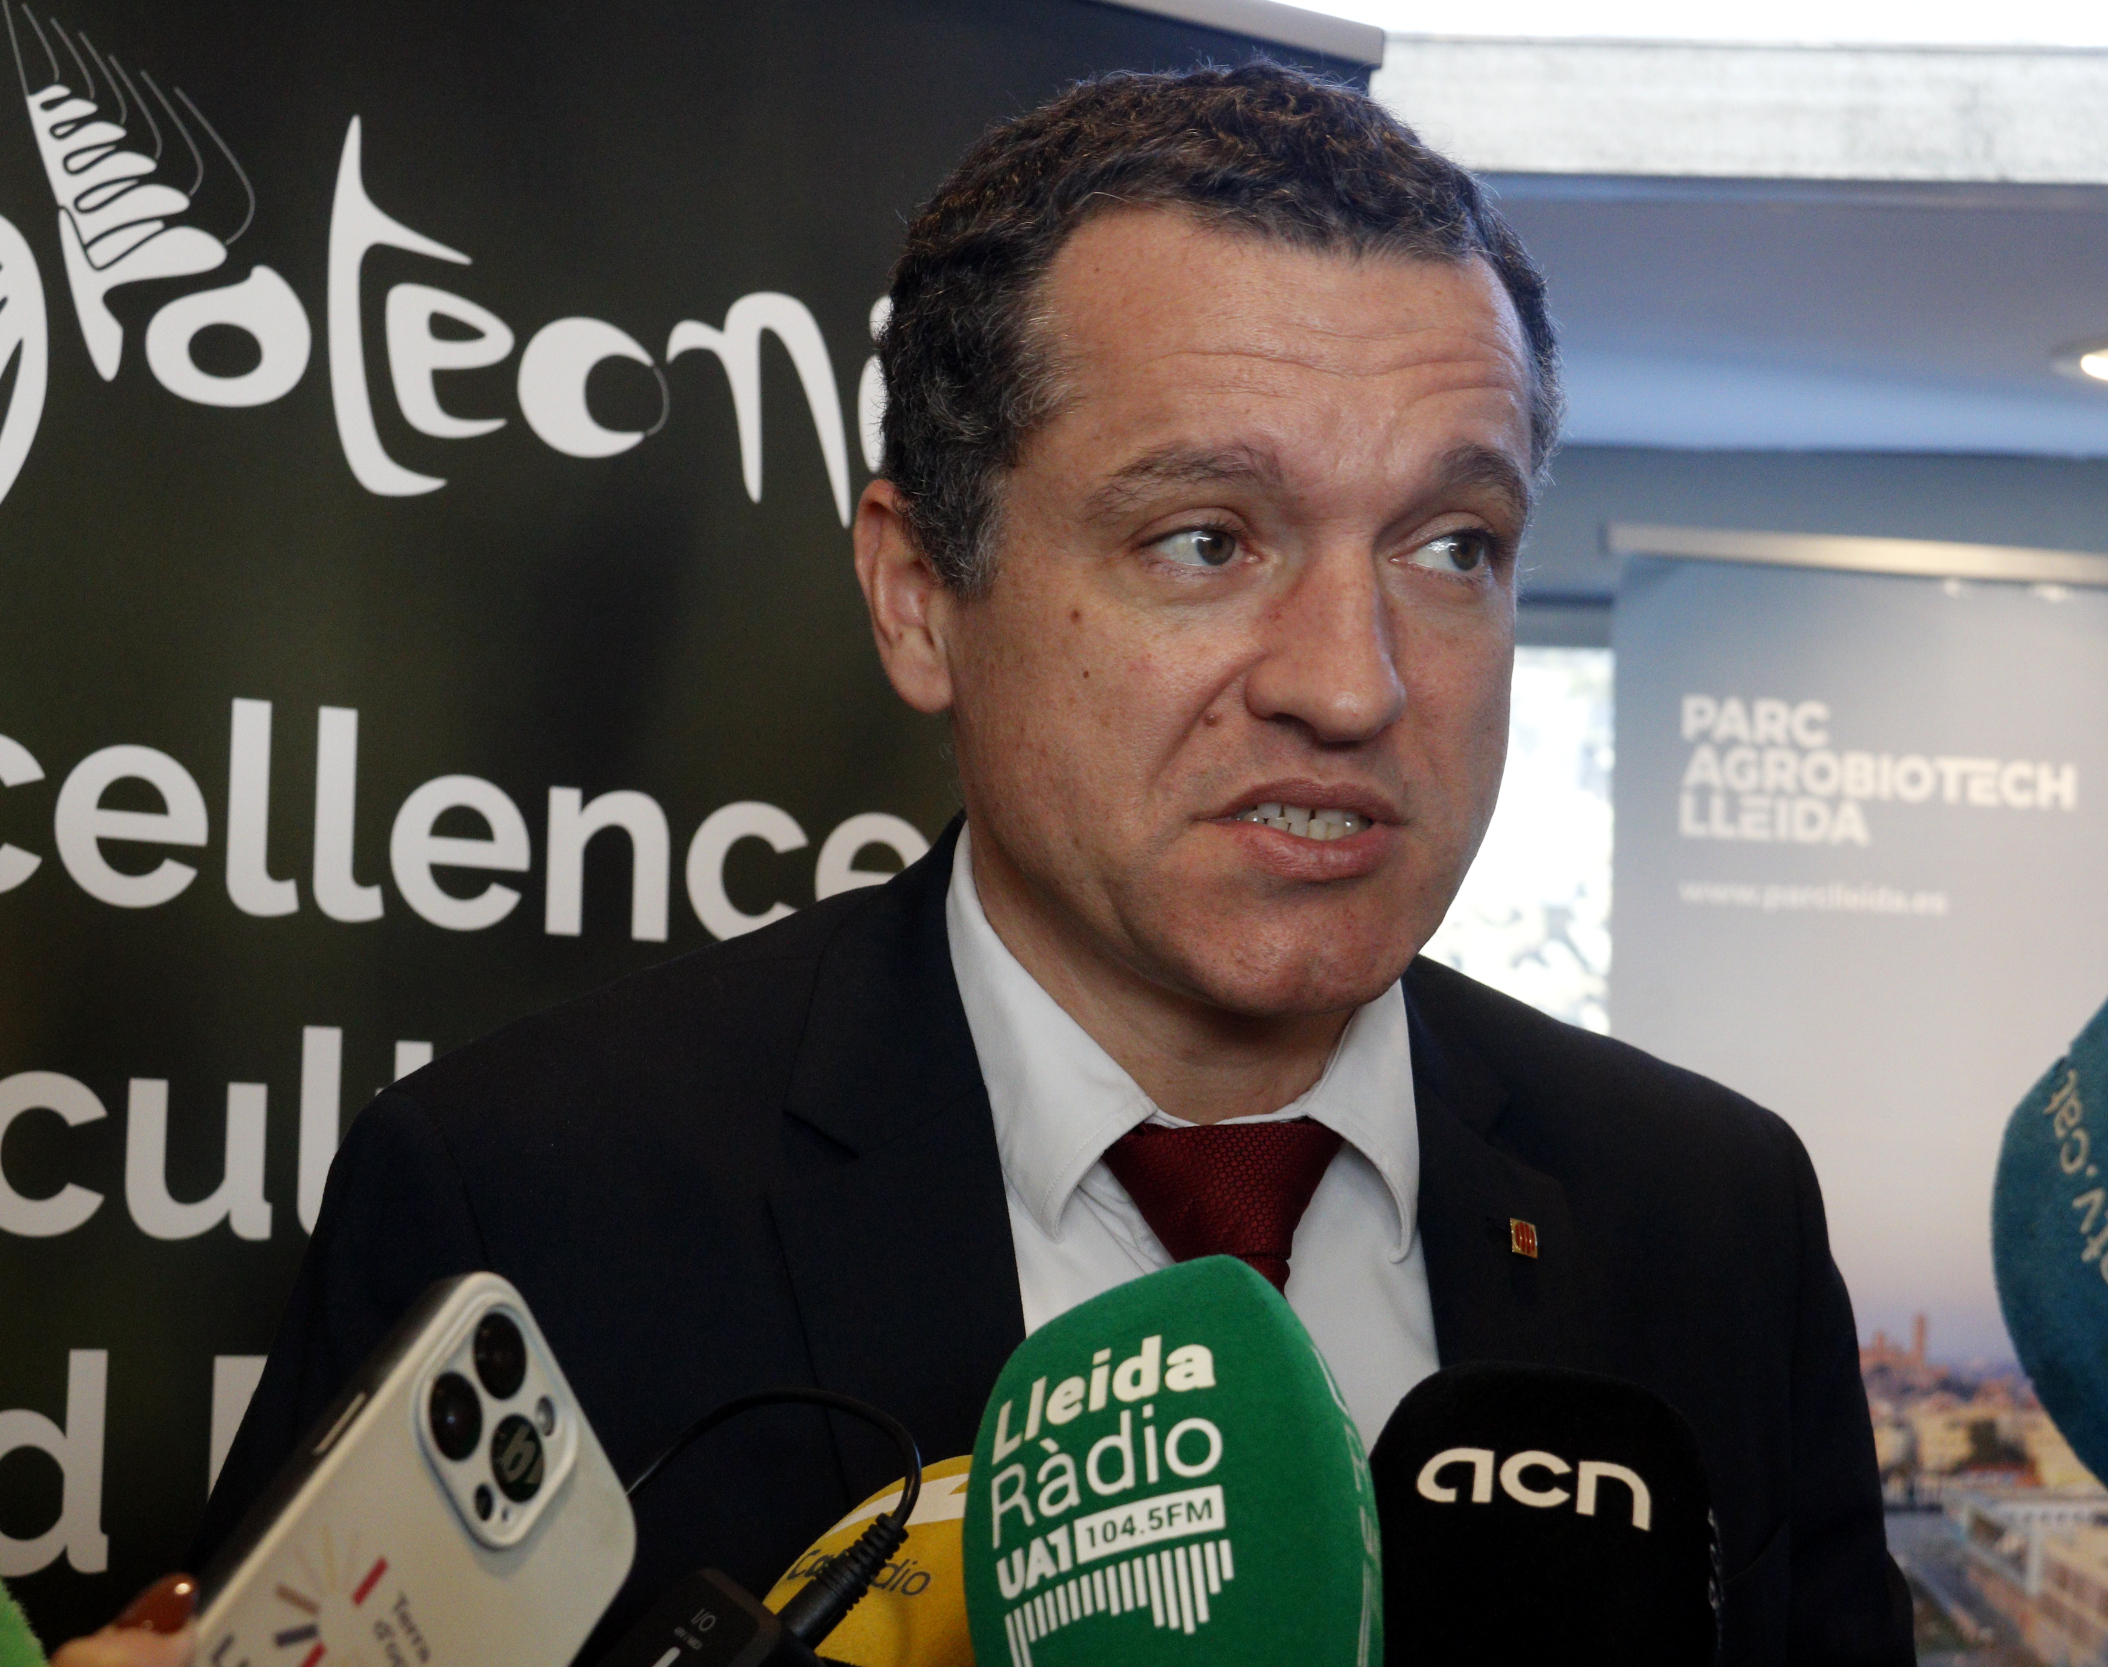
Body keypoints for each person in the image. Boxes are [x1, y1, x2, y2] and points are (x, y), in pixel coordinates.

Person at [68, 61, 1908, 1667]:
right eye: (1206, 539)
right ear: (917, 596)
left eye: (1452, 548)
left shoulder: (1708, 1219)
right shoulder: (529, 1201)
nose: (1354, 685)